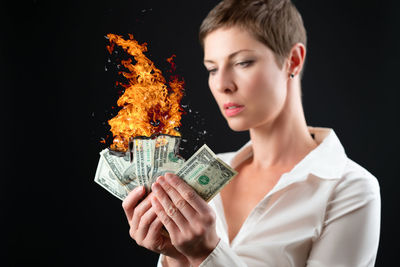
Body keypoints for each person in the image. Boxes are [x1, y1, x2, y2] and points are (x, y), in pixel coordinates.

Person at [121, 0, 381, 266]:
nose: (222, 84)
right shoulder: (207, 175)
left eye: (243, 62)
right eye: (212, 69)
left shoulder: (351, 189)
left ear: (293, 60)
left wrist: (205, 253)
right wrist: (179, 256)